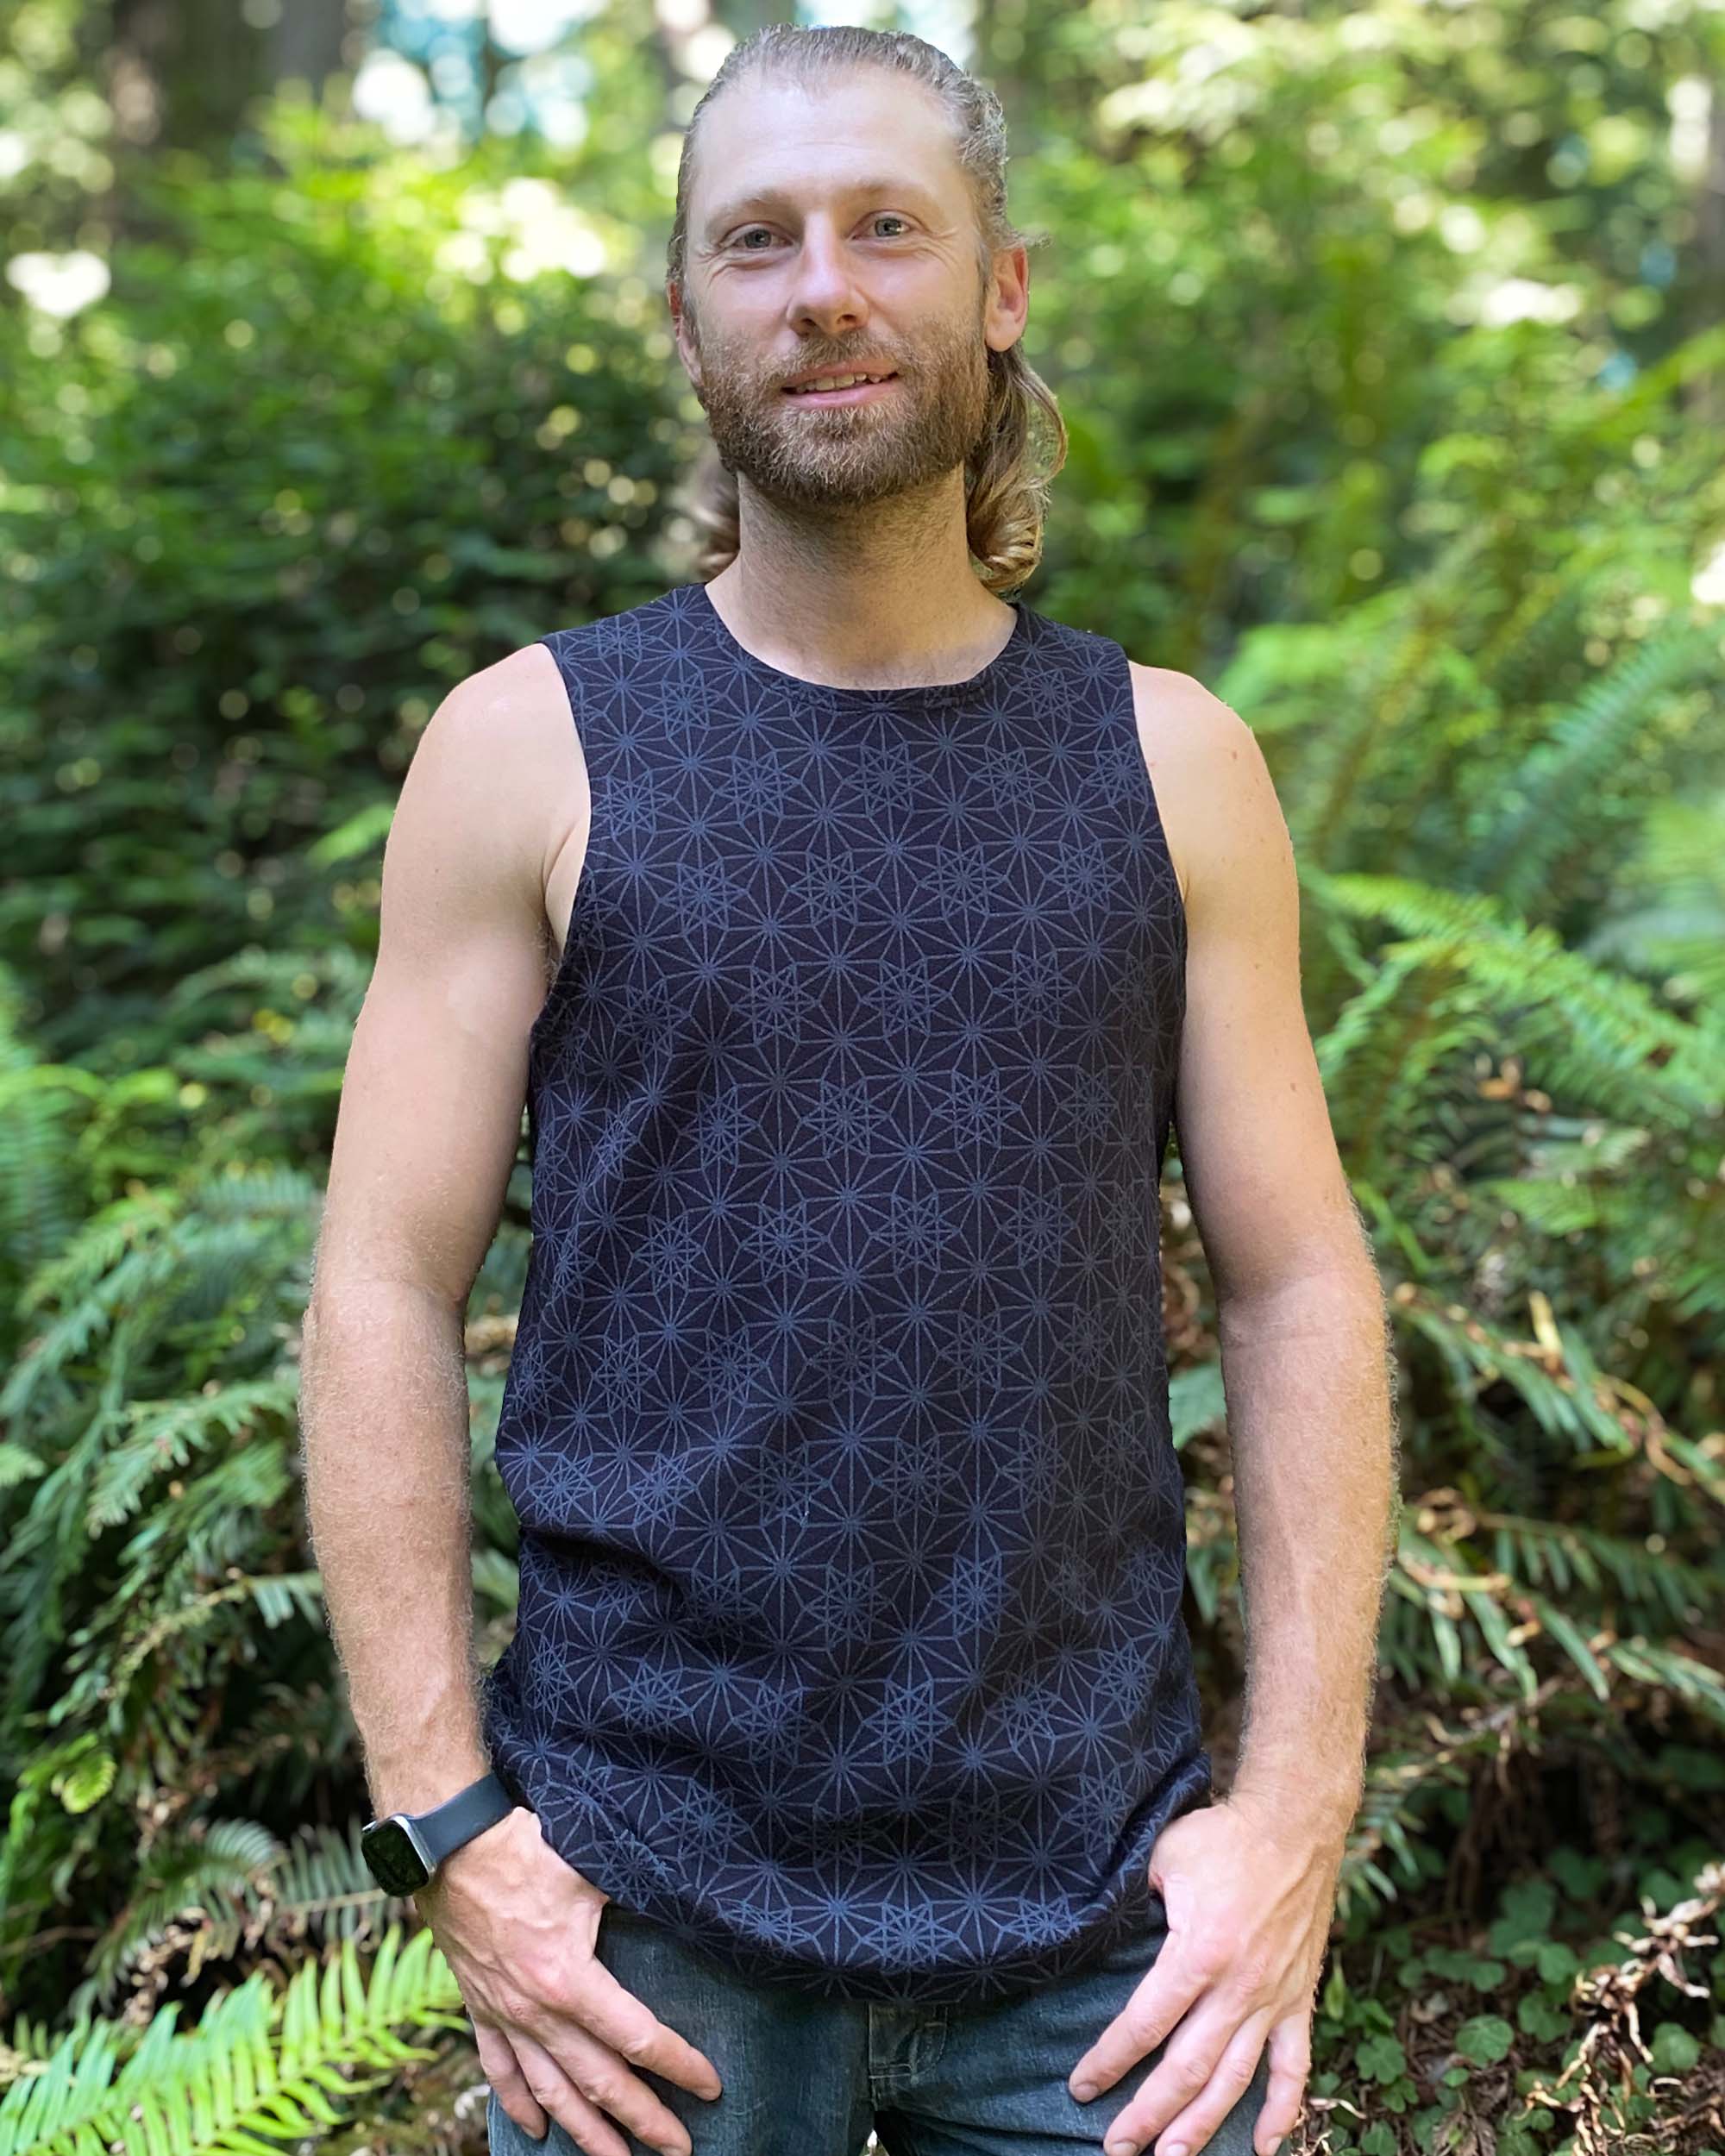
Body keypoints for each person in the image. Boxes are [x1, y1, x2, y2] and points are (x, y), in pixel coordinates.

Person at [298, 23, 1398, 2156]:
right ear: (689, 315)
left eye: (885, 227)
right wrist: (453, 1822)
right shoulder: (531, 747)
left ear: (999, 285)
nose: (822, 287)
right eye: (756, 241)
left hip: (1102, 1938)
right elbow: (375, 1283)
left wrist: (1294, 1813)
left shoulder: (1170, 767)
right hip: (641, 1941)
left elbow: (1297, 1288)